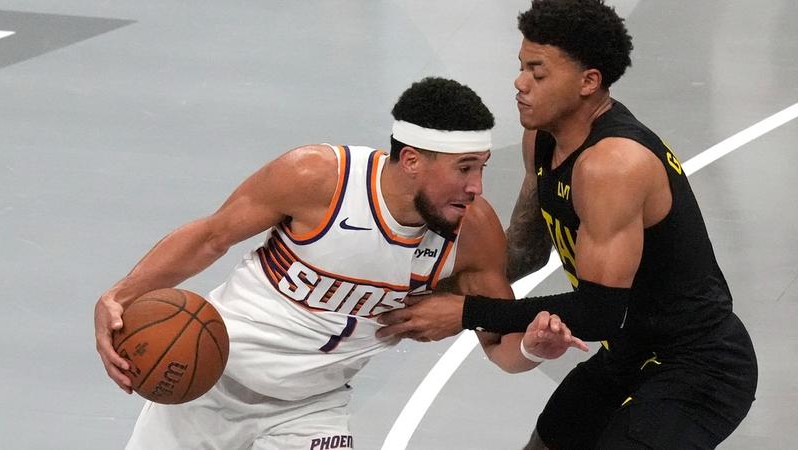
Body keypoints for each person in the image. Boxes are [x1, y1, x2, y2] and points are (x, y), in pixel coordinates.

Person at [93, 76, 586, 450]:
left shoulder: (473, 232)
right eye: (463, 169)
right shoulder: (318, 179)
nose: (477, 186)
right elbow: (209, 237)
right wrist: (119, 296)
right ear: (412, 160)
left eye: (481, 167)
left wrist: (537, 348)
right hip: (207, 381)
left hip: (311, 411)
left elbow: (501, 348)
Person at [376, 1, 758, 448]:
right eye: (520, 67)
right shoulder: (542, 139)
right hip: (628, 354)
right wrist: (416, 286)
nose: (519, 84)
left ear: (588, 82)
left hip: (699, 367)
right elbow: (524, 252)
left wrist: (464, 313)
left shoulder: (613, 165)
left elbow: (598, 313)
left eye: (537, 73)